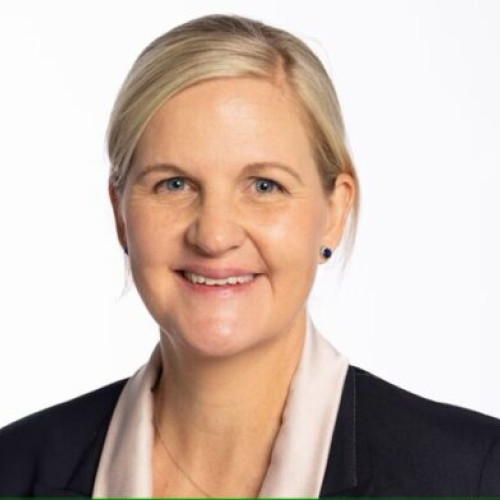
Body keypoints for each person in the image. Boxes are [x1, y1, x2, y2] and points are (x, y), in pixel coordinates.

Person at [0, 13, 499, 497]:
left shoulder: (473, 477)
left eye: (264, 185)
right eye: (174, 184)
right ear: (120, 212)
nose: (215, 235)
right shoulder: (13, 468)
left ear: (333, 213)